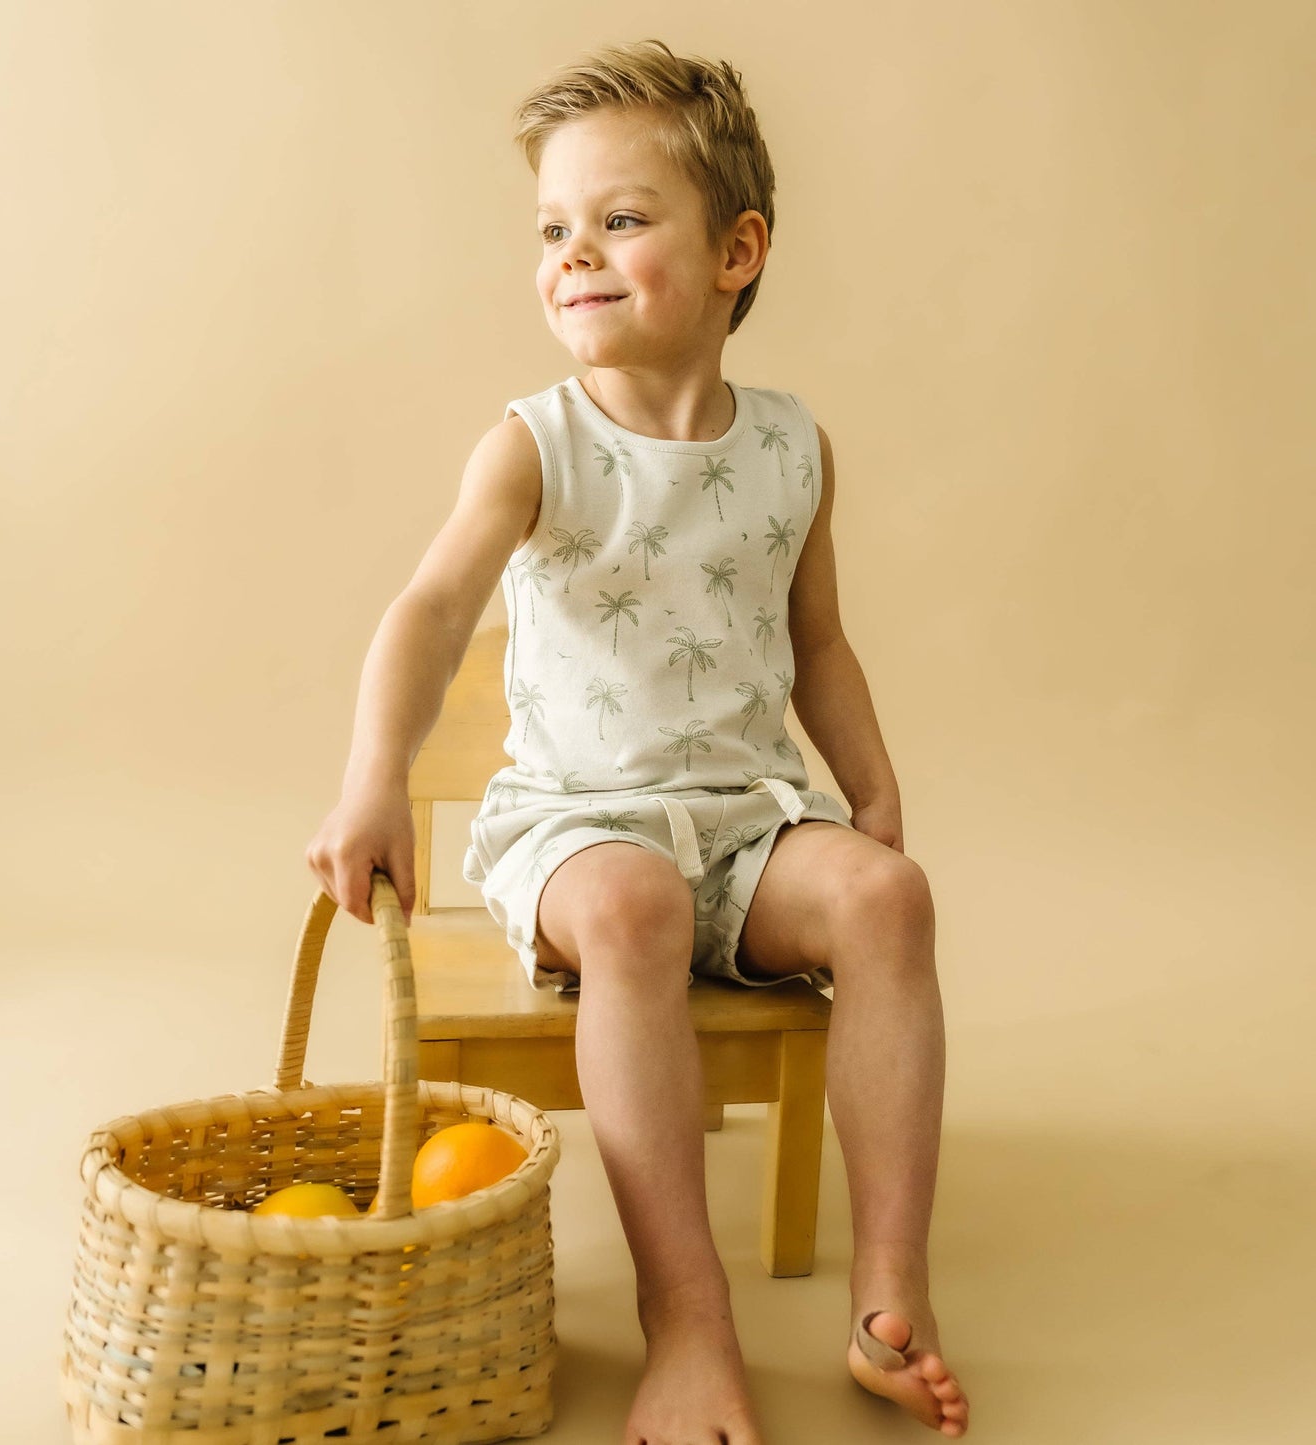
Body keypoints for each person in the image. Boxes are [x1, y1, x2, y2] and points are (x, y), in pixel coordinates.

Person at [306, 37, 969, 1444]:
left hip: (741, 818)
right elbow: (427, 611)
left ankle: (888, 1294)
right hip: (573, 829)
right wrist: (371, 778)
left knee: (885, 896)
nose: (572, 255)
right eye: (551, 229)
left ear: (736, 251)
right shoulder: (536, 444)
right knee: (631, 900)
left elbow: (817, 640)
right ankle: (689, 1317)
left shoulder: (790, 446)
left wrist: (871, 789)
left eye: (618, 220)